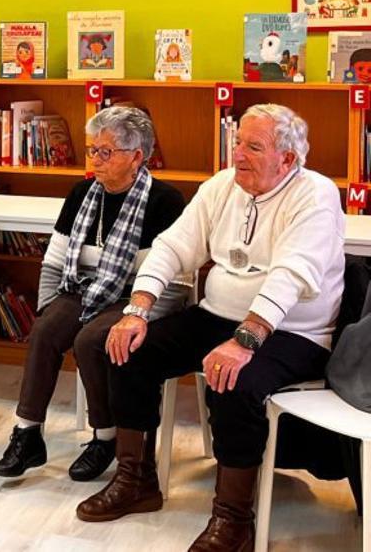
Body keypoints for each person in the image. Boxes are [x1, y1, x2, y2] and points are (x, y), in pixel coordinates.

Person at [78, 104, 343, 552]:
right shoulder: (223, 186)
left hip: (293, 331)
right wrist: (137, 309)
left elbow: (293, 274)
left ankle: (233, 520)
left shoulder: (315, 195)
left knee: (234, 381)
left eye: (253, 147)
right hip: (217, 314)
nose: (238, 154)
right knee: (126, 349)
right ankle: (136, 480)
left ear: (288, 160)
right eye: (238, 142)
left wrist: (244, 341)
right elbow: (174, 245)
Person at [0, 107, 186, 482]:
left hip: (136, 300)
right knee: (45, 330)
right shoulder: (83, 193)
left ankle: (105, 437)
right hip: (82, 289)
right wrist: (50, 309)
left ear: (136, 157)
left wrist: (140, 315)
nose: (95, 160)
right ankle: (27, 433)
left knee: (90, 340)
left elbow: (173, 280)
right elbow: (54, 261)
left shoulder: (165, 201)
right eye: (92, 150)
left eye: (106, 152)